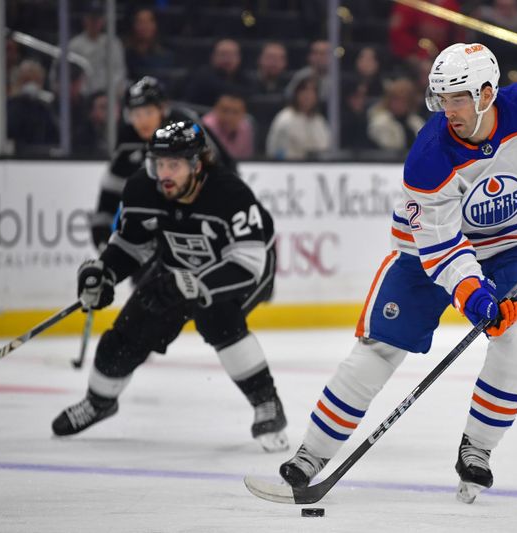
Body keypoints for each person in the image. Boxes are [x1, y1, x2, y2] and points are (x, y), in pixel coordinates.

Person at [276, 43, 517, 504]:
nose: (450, 110)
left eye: (459, 97)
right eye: (442, 98)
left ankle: (478, 450)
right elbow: (441, 245)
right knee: (379, 348)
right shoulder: (430, 157)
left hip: (508, 246)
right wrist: (470, 292)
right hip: (424, 253)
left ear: (487, 93)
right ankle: (312, 454)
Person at [52, 120, 289, 453]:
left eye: (174, 165)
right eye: (159, 163)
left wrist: (197, 283)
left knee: (216, 316)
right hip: (176, 269)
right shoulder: (141, 188)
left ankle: (267, 404)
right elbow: (133, 245)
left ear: (197, 164)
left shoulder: (229, 194)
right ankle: (99, 401)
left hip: (243, 269)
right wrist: (104, 273)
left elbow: (249, 264)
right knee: (127, 332)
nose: (164, 173)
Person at [90, 76, 236, 253]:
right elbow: (111, 190)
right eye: (136, 114)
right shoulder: (127, 140)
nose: (142, 121)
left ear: (163, 109)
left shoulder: (185, 127)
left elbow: (220, 172)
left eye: (148, 113)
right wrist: (102, 229)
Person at [266, 76, 331, 160]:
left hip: (316, 167)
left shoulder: (319, 120)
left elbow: (325, 147)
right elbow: (276, 151)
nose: (308, 95)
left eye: (312, 91)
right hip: (289, 167)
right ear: (296, 93)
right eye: (304, 90)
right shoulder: (285, 118)